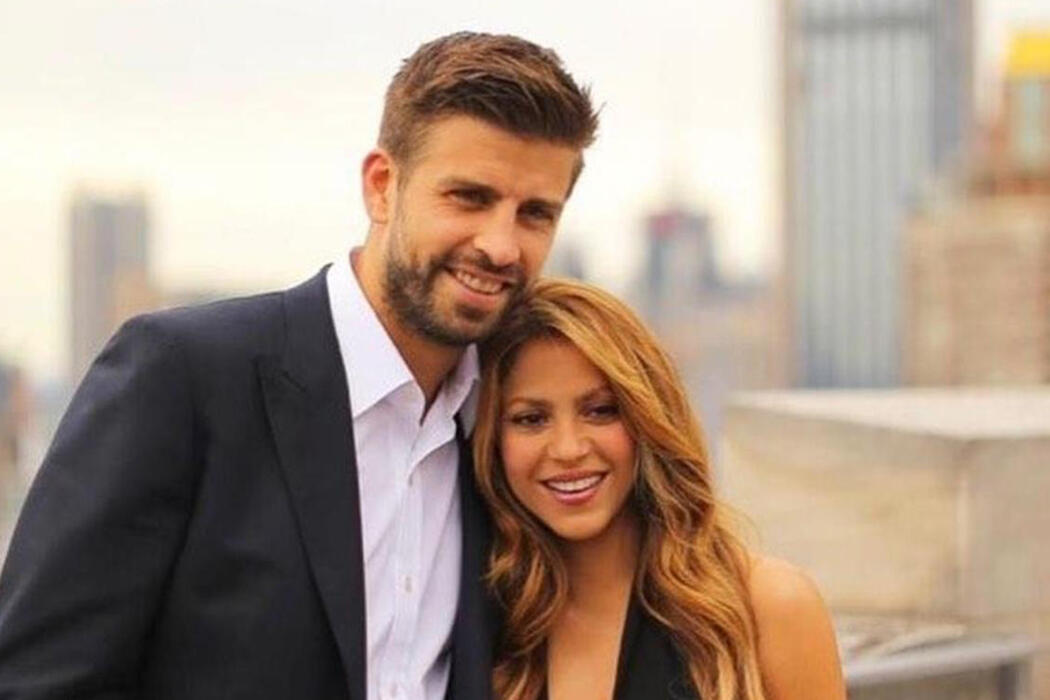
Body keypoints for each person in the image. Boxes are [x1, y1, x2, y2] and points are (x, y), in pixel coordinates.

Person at [0, 33, 598, 700]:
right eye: (469, 197)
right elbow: (36, 680)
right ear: (382, 186)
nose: (500, 245)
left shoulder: (512, 432)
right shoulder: (184, 377)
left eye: (535, 214)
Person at [472, 279, 846, 700]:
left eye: (600, 411)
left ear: (646, 418)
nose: (568, 449)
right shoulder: (482, 628)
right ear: (491, 440)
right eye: (530, 419)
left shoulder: (770, 604)